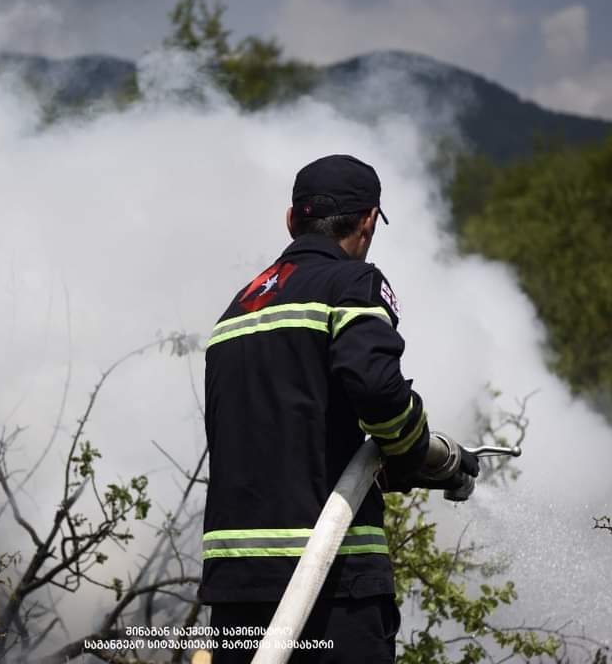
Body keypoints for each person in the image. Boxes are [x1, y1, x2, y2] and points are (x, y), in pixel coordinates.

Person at [199, 154, 479, 663]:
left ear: (291, 220)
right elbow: (377, 391)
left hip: (236, 587)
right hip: (331, 579)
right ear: (369, 221)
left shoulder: (237, 307)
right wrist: (417, 450)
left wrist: (386, 468)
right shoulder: (351, 283)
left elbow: (284, 434)